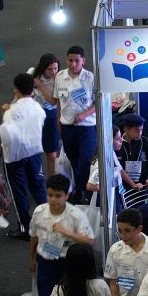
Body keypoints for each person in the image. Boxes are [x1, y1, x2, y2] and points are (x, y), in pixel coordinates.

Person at [30, 173, 95, 296]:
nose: (53, 199)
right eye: (50, 195)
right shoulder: (39, 212)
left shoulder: (75, 215)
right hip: (44, 262)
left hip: (67, 263)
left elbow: (89, 240)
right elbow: (34, 237)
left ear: (67, 195)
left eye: (58, 196)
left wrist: (67, 232)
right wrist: (31, 258)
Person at [1, 73, 47, 233]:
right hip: (34, 152)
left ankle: (25, 227)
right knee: (38, 186)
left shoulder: (10, 111)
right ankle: (49, 220)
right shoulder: (38, 108)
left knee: (19, 191)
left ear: (16, 90)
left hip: (14, 157)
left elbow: (7, 134)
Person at [56, 46, 98, 201]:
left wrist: (84, 115)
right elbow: (58, 102)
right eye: (70, 60)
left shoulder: (91, 78)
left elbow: (98, 103)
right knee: (73, 159)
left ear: (83, 61)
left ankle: (83, 190)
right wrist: (58, 124)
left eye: (77, 61)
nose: (73, 64)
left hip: (87, 127)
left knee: (85, 159)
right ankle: (80, 188)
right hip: (67, 127)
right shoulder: (60, 77)